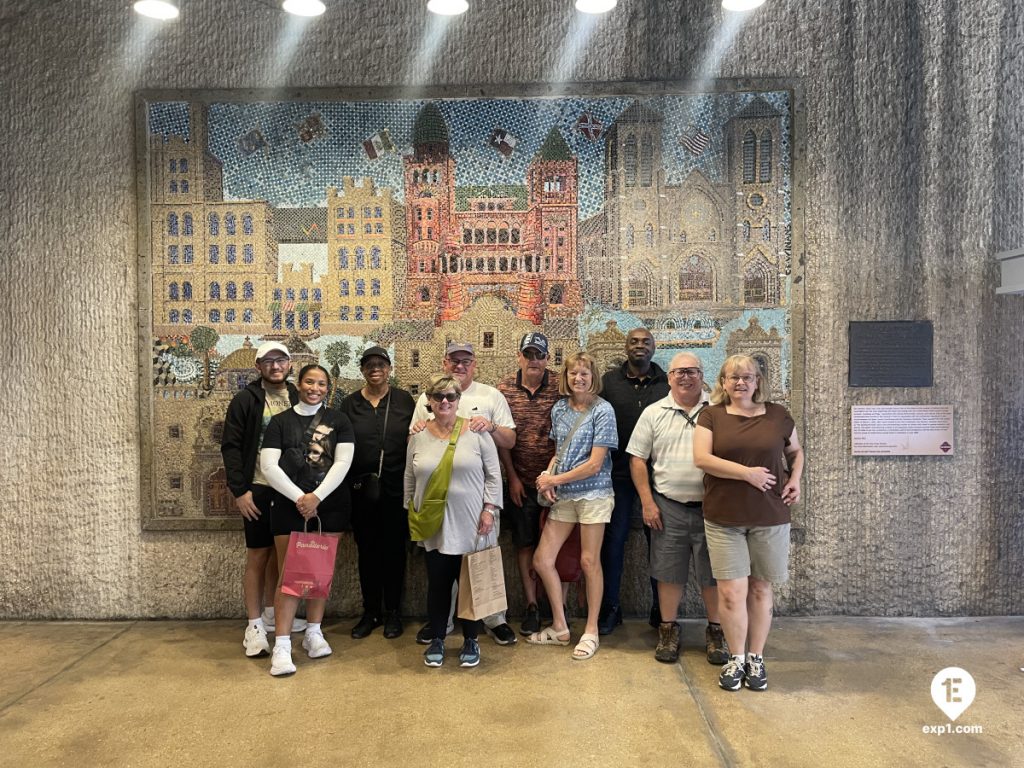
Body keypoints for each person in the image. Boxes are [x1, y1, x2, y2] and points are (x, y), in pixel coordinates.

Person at [693, 355, 803, 692]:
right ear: (723, 383)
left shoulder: (778, 415)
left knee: (760, 588)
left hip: (769, 516)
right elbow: (702, 459)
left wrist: (796, 479)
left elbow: (795, 452)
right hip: (724, 516)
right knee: (730, 592)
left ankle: (756, 657)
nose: (740, 383)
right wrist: (747, 474)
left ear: (758, 382)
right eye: (733, 377)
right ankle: (735, 658)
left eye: (748, 377)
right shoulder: (710, 415)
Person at [410, 342, 518, 647]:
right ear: (445, 362)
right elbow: (416, 438)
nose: (460, 365)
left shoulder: (490, 396)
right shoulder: (426, 396)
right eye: (454, 360)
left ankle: (494, 621)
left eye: (466, 361)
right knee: (442, 566)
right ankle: (441, 623)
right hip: (438, 500)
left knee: (480, 565)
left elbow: (509, 440)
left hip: (477, 497)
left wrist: (491, 426)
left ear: (475, 364)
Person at [626, 352, 728, 664]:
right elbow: (637, 459)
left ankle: (716, 633)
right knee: (668, 574)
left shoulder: (720, 412)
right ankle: (668, 632)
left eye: (692, 372)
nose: (685, 377)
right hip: (667, 507)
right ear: (669, 377)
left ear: (702, 375)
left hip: (714, 509)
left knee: (714, 575)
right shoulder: (654, 413)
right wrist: (647, 502)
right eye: (679, 372)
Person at [259, 364, 356, 677]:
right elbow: (269, 466)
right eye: (309, 381)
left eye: (322, 383)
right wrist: (300, 498)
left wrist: (317, 497)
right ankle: (283, 645)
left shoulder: (339, 420)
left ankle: (314, 632)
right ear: (298, 384)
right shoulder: (279, 422)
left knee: (318, 570)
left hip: (329, 504)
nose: (315, 388)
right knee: (289, 573)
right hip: (289, 505)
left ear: (329, 388)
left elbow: (343, 462)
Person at [405, 375, 503, 668]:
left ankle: (471, 639)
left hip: (472, 523)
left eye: (450, 396)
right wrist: (411, 513)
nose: (444, 402)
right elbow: (409, 479)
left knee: (471, 583)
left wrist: (489, 510)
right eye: (438, 397)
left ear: (459, 400)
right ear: (429, 402)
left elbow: (494, 475)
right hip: (434, 525)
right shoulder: (417, 437)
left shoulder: (476, 433)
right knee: (438, 583)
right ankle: (438, 638)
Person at [529, 352, 618, 661]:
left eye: (584, 373)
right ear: (565, 378)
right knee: (542, 559)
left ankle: (591, 630)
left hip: (594, 494)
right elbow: (559, 452)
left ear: (593, 377)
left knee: (589, 561)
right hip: (565, 495)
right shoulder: (559, 410)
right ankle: (560, 626)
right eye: (573, 374)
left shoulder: (603, 410)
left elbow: (595, 464)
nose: (578, 379)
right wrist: (547, 474)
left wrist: (556, 480)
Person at [220, 341, 306, 659]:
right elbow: (230, 445)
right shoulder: (246, 399)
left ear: (290, 364)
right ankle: (254, 626)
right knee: (258, 556)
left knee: (283, 556)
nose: (275, 366)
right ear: (258, 367)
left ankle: (273, 613)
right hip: (257, 488)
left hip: (291, 491)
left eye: (280, 360)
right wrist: (239, 491)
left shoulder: (298, 396)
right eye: (267, 361)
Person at [497, 332, 571, 635]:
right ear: (519, 357)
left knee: (558, 547)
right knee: (525, 543)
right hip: (522, 482)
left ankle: (557, 609)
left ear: (547, 358)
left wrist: (555, 477)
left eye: (539, 355)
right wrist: (512, 477)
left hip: (557, 481)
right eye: (528, 354)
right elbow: (501, 439)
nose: (534, 360)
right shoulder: (503, 389)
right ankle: (531, 606)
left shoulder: (560, 386)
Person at [340, 346, 415, 640]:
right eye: (369, 364)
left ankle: (394, 612)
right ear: (362, 370)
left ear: (389, 368)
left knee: (394, 552)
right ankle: (370, 612)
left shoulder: (404, 400)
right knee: (367, 553)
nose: (375, 369)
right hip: (361, 493)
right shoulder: (349, 404)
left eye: (381, 364)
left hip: (396, 491)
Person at [598, 327, 669, 634]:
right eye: (634, 342)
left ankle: (661, 609)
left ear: (654, 348)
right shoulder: (609, 383)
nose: (640, 346)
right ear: (625, 348)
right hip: (618, 475)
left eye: (646, 342)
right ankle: (611, 607)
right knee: (613, 543)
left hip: (659, 477)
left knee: (661, 546)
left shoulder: (668, 383)